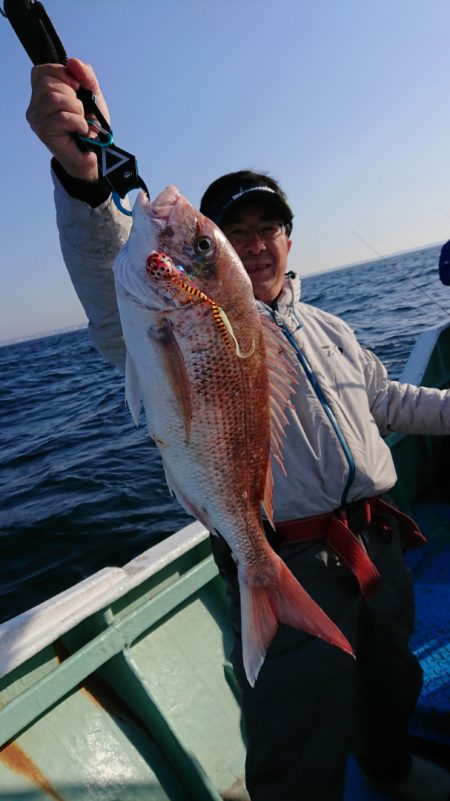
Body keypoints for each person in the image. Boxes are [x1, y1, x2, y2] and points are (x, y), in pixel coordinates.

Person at [26, 58, 450, 801]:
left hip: (381, 542)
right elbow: (109, 282)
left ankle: (388, 766)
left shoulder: (330, 327)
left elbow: (388, 402)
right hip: (288, 555)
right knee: (295, 726)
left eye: (268, 228)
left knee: (394, 678)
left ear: (289, 239)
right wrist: (82, 182)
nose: (254, 244)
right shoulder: (177, 325)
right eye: (232, 233)